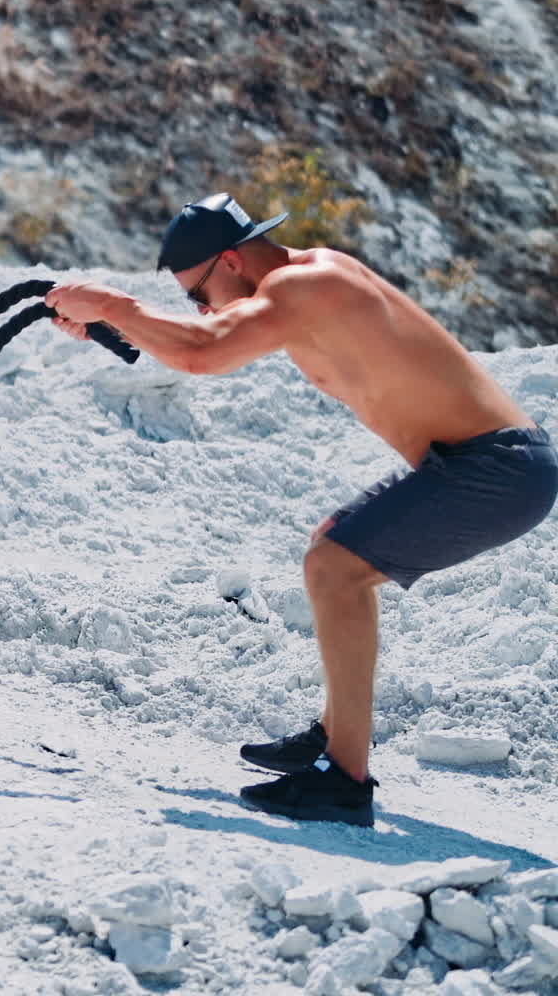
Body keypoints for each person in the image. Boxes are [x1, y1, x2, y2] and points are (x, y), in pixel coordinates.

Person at [45, 192, 558, 827]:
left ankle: (344, 781)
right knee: (334, 547)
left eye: (197, 293)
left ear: (231, 260)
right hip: (484, 463)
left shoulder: (301, 285)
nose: (201, 308)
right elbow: (203, 338)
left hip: (497, 468)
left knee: (332, 565)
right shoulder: (310, 277)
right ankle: (332, 738)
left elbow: (202, 351)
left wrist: (115, 307)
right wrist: (114, 325)